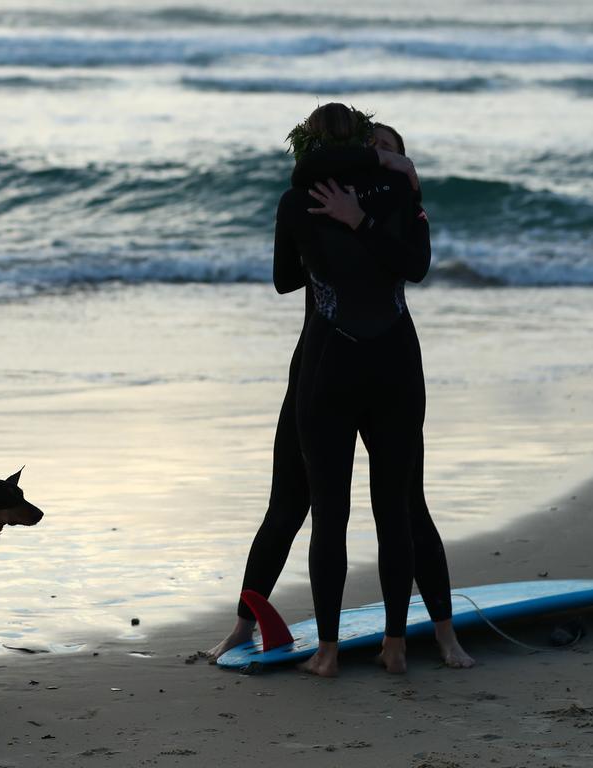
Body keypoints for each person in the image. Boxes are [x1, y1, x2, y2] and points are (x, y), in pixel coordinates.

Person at [206, 107, 473, 675]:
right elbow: (294, 273)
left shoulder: (388, 202)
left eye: (386, 147)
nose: (372, 157)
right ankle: (242, 623)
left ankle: (440, 633)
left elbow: (407, 265)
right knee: (289, 504)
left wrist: (345, 228)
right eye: (369, 146)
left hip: (353, 363)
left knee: (401, 507)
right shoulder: (351, 194)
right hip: (317, 367)